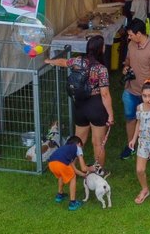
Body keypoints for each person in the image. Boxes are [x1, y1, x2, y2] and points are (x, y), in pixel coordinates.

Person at [44, 35, 115, 174]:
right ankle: (99, 171)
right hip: (96, 106)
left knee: (78, 141)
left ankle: (70, 168)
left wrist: (49, 61)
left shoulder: (78, 61)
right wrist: (111, 114)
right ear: (101, 49)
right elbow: (105, 94)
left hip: (79, 105)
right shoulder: (101, 69)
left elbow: (63, 62)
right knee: (97, 142)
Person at [119, 18, 150, 160]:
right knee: (131, 119)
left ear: (139, 34)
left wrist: (148, 97)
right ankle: (131, 146)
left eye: (131, 34)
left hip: (146, 94)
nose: (129, 37)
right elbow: (128, 59)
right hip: (130, 90)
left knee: (149, 122)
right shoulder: (132, 44)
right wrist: (126, 66)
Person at [48, 136, 93, 211]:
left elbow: (74, 169)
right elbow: (84, 168)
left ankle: (60, 195)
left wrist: (84, 175)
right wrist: (91, 168)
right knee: (73, 178)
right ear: (79, 144)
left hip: (51, 164)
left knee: (61, 175)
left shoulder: (66, 150)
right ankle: (73, 202)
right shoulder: (78, 148)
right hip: (61, 164)